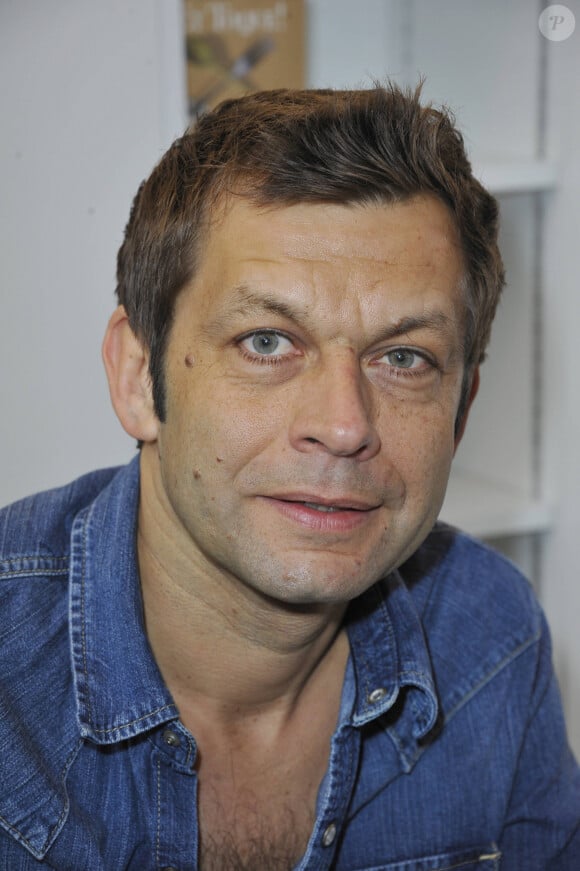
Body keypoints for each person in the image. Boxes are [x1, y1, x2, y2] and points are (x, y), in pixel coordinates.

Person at [0, 84, 578, 871]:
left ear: (461, 409)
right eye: (268, 342)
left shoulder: (492, 645)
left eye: (404, 358)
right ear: (139, 377)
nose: (344, 425)